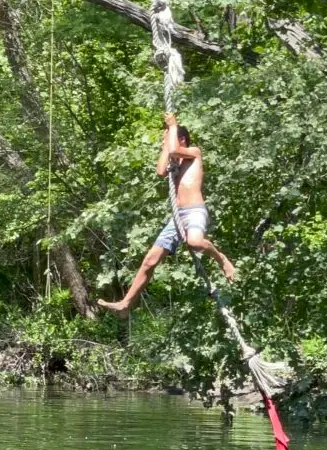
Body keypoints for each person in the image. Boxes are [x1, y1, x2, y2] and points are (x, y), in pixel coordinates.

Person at [98, 113, 235, 315]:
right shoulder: (174, 163)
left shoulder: (194, 153)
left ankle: (221, 259)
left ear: (181, 139)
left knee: (195, 243)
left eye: (169, 139)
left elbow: (174, 148)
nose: (166, 143)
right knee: (150, 261)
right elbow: (161, 171)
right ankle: (126, 302)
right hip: (177, 217)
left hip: (194, 211)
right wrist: (165, 143)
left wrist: (173, 126)